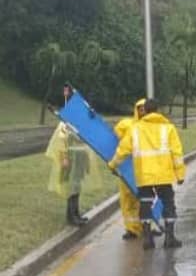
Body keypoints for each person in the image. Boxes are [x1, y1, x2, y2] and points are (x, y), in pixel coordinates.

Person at [108, 99, 185, 250]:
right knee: (168, 204)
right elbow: (177, 153)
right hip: (163, 175)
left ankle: (148, 239)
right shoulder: (168, 128)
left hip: (144, 175)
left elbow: (123, 150)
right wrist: (180, 174)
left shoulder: (135, 129)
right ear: (157, 110)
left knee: (145, 205)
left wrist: (113, 165)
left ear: (144, 111)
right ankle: (169, 238)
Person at [45, 122, 99, 227]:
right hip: (71, 158)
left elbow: (86, 140)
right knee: (72, 186)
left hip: (80, 158)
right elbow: (60, 140)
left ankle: (76, 213)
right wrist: (64, 156)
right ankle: (71, 216)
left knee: (77, 186)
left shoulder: (80, 120)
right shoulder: (64, 123)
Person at [113, 99, 147, 240]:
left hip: (144, 169)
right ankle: (131, 229)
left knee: (143, 199)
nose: (142, 111)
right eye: (140, 108)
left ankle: (144, 226)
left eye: (145, 108)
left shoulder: (153, 127)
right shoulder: (128, 125)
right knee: (127, 200)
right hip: (128, 167)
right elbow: (117, 135)